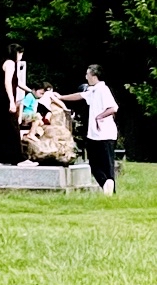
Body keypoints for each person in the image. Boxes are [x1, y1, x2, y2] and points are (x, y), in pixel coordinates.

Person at [59, 66, 119, 194]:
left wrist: (99, 117)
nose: (86, 77)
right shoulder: (93, 91)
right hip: (94, 134)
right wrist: (60, 97)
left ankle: (111, 190)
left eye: (87, 74)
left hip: (105, 134)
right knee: (94, 164)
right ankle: (105, 185)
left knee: (107, 165)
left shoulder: (103, 90)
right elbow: (80, 95)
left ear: (93, 75)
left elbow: (113, 108)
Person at [0, 45, 28, 164]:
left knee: (0, 128)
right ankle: (18, 158)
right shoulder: (10, 63)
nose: (21, 56)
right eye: (20, 53)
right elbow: (8, 82)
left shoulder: (6, 63)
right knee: (12, 127)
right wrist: (11, 101)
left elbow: (17, 81)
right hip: (4, 99)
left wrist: (30, 91)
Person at [22, 86, 76, 167]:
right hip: (33, 115)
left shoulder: (37, 98)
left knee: (42, 120)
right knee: (40, 120)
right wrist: (66, 109)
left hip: (38, 115)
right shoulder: (43, 96)